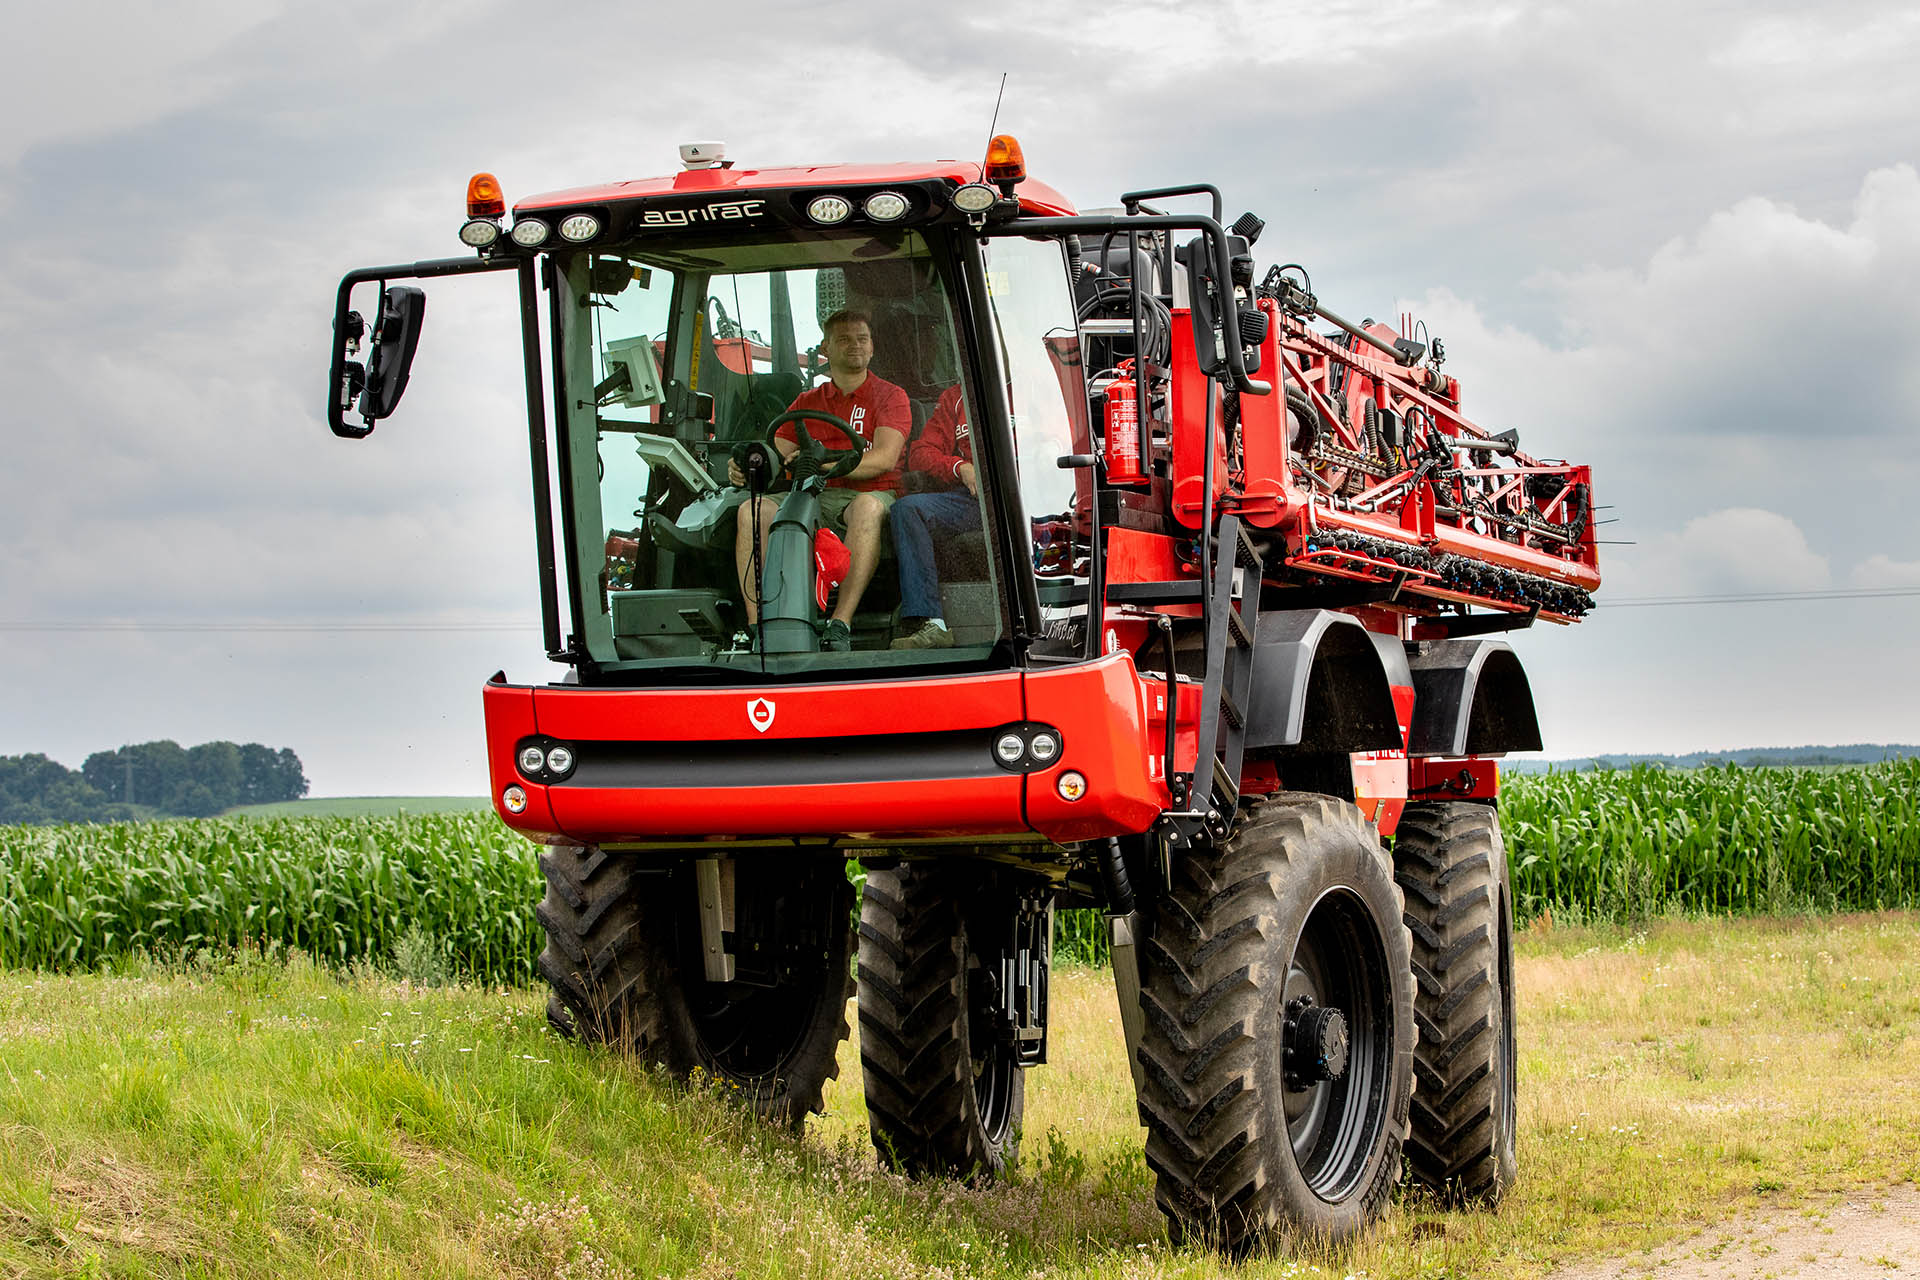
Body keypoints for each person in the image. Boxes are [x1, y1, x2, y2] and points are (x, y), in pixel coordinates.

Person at [730, 309, 908, 651]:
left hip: (870, 493)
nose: (855, 346)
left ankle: (840, 623)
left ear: (872, 348)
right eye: (844, 339)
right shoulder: (808, 402)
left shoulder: (890, 397)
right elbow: (779, 448)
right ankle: (757, 626)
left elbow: (884, 458)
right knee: (752, 510)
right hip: (814, 495)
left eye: (862, 339)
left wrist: (823, 463)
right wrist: (746, 468)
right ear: (826, 348)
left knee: (867, 508)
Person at [888, 382, 982, 650]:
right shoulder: (955, 397)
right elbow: (920, 454)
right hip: (972, 501)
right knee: (907, 508)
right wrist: (959, 467)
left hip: (1028, 500)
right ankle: (932, 625)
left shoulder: (1034, 387)